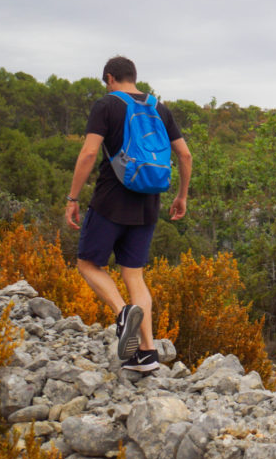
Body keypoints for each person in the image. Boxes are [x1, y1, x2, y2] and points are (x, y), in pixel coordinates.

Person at [65, 56, 192, 372]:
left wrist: (73, 197)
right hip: (149, 200)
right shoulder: (159, 108)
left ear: (109, 78)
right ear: (133, 77)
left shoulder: (106, 105)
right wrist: (181, 196)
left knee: (87, 263)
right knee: (134, 274)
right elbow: (185, 155)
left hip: (111, 199)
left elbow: (90, 153)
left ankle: (123, 313)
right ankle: (147, 354)